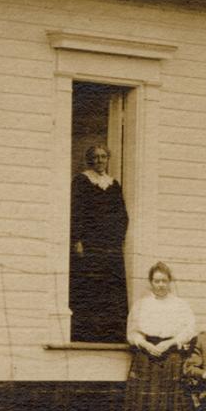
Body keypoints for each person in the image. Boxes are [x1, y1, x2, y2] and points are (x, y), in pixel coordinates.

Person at [118, 262, 196, 411]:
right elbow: (132, 332)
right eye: (156, 281)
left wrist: (169, 343)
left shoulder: (180, 305)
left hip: (171, 353)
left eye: (164, 281)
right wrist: (145, 344)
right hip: (146, 354)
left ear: (170, 282)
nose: (160, 285)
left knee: (172, 396)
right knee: (146, 397)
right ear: (151, 282)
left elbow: (190, 330)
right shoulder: (141, 305)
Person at [69, 145, 128, 342]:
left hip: (110, 246)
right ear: (89, 160)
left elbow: (122, 215)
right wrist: (77, 239)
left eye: (104, 157)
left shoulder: (113, 184)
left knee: (109, 288)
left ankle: (110, 334)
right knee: (90, 287)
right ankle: (88, 333)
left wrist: (117, 238)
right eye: (96, 157)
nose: (100, 161)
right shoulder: (82, 181)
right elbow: (76, 211)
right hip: (90, 244)